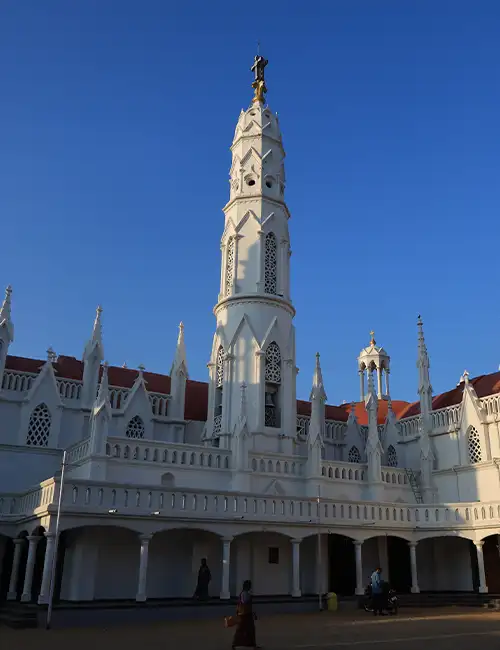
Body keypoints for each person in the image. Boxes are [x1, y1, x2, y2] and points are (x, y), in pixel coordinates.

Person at [232, 579, 260, 649]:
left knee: (244, 630)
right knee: (246, 630)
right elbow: (245, 604)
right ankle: (236, 644)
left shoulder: (243, 594)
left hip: (244, 614)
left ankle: (237, 644)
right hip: (245, 615)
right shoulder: (245, 594)